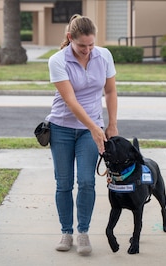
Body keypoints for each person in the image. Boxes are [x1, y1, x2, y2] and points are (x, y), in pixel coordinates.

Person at [46, 14, 118, 255]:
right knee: (64, 183)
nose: (87, 50)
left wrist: (112, 125)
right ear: (70, 38)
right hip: (62, 128)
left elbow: (110, 91)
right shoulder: (57, 60)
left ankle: (83, 232)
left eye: (91, 44)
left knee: (86, 182)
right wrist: (95, 128)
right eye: (81, 45)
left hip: (92, 129)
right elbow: (71, 100)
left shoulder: (104, 55)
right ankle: (66, 232)